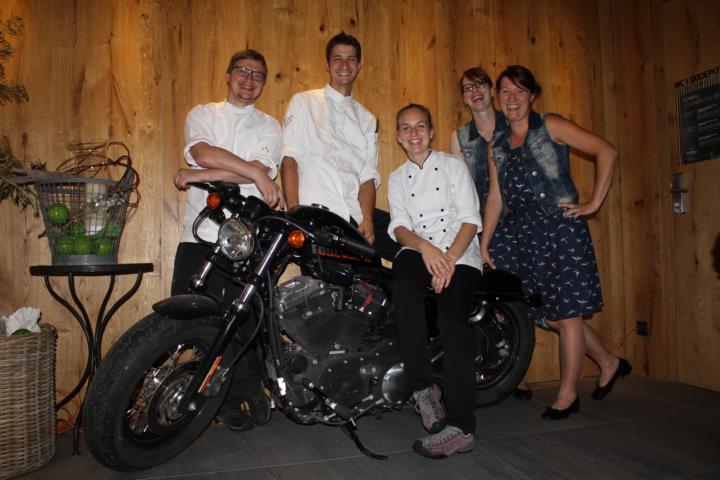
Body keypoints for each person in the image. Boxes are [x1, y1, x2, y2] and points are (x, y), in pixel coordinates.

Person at [481, 65, 631, 420]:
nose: (512, 98)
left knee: (567, 314)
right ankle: (608, 362)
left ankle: (567, 394)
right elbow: (495, 198)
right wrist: (485, 242)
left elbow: (607, 151)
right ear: (498, 98)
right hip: (523, 236)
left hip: (560, 231)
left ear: (532, 96)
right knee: (554, 315)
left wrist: (593, 204)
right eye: (506, 91)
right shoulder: (496, 145)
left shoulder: (551, 125)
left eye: (520, 91)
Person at [171, 49, 284, 431]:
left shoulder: (269, 125)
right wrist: (254, 173)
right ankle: (210, 399)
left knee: (244, 321)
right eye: (242, 71)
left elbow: (255, 170)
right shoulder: (202, 113)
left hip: (245, 237)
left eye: (258, 74)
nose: (249, 79)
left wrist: (198, 174)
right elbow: (203, 152)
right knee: (192, 319)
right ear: (228, 74)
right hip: (197, 233)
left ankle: (245, 393)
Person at [388, 103, 482, 458]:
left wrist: (448, 260)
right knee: (402, 283)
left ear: (431, 132)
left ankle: (462, 426)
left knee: (451, 319)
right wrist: (427, 250)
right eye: (406, 128)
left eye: (420, 126)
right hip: (420, 248)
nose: (413, 134)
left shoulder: (454, 166)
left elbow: (470, 219)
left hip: (460, 251)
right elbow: (399, 227)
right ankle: (423, 388)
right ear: (399, 137)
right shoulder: (397, 178)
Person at [280, 32, 399, 260]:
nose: (344, 65)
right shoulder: (304, 102)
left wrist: (368, 219)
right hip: (316, 213)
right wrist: (295, 215)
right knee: (326, 279)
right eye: (337, 59)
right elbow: (289, 160)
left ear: (359, 66)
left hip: (354, 214)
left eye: (351, 59)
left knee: (408, 240)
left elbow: (367, 176)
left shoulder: (367, 119)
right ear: (327, 65)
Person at [451, 67, 531, 400]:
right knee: (497, 301)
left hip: (521, 221)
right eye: (468, 88)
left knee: (532, 299)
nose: (475, 91)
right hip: (483, 227)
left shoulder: (513, 123)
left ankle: (516, 370)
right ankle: (511, 373)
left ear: (491, 90)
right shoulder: (459, 137)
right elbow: (457, 187)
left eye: (481, 84)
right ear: (463, 97)